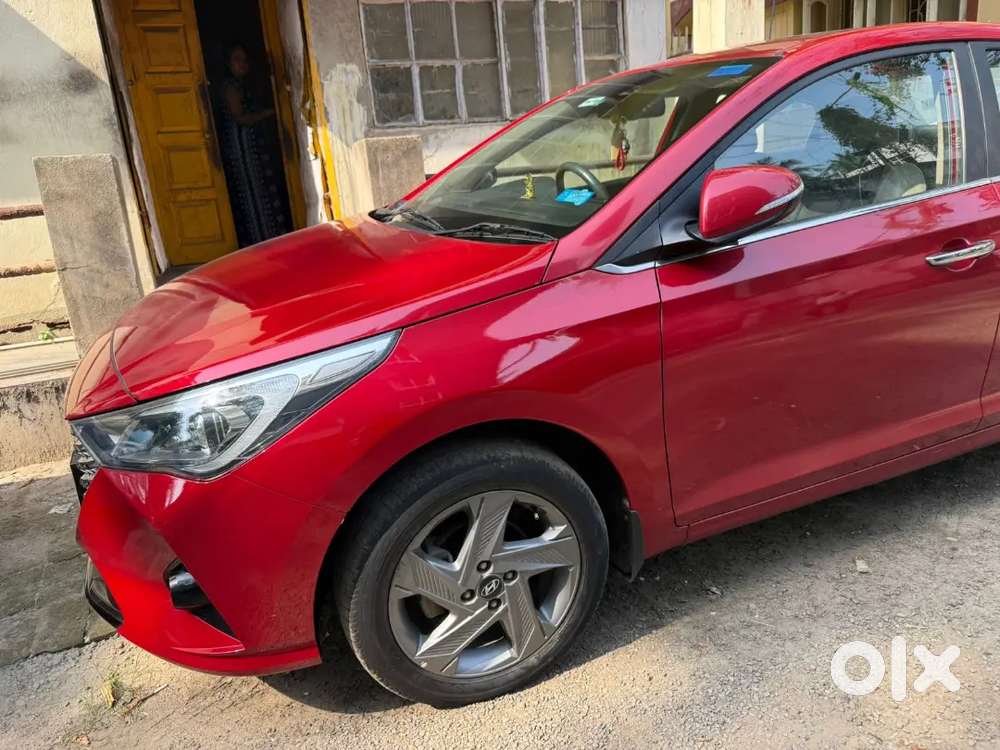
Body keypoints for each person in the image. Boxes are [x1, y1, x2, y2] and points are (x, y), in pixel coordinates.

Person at [218, 44, 291, 246]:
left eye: (244, 60)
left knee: (262, 190)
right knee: (253, 194)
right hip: (242, 151)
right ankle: (261, 240)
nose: (242, 64)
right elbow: (240, 117)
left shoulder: (242, 85)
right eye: (237, 59)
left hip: (252, 149)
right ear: (228, 63)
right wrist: (268, 113)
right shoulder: (231, 87)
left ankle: (269, 238)